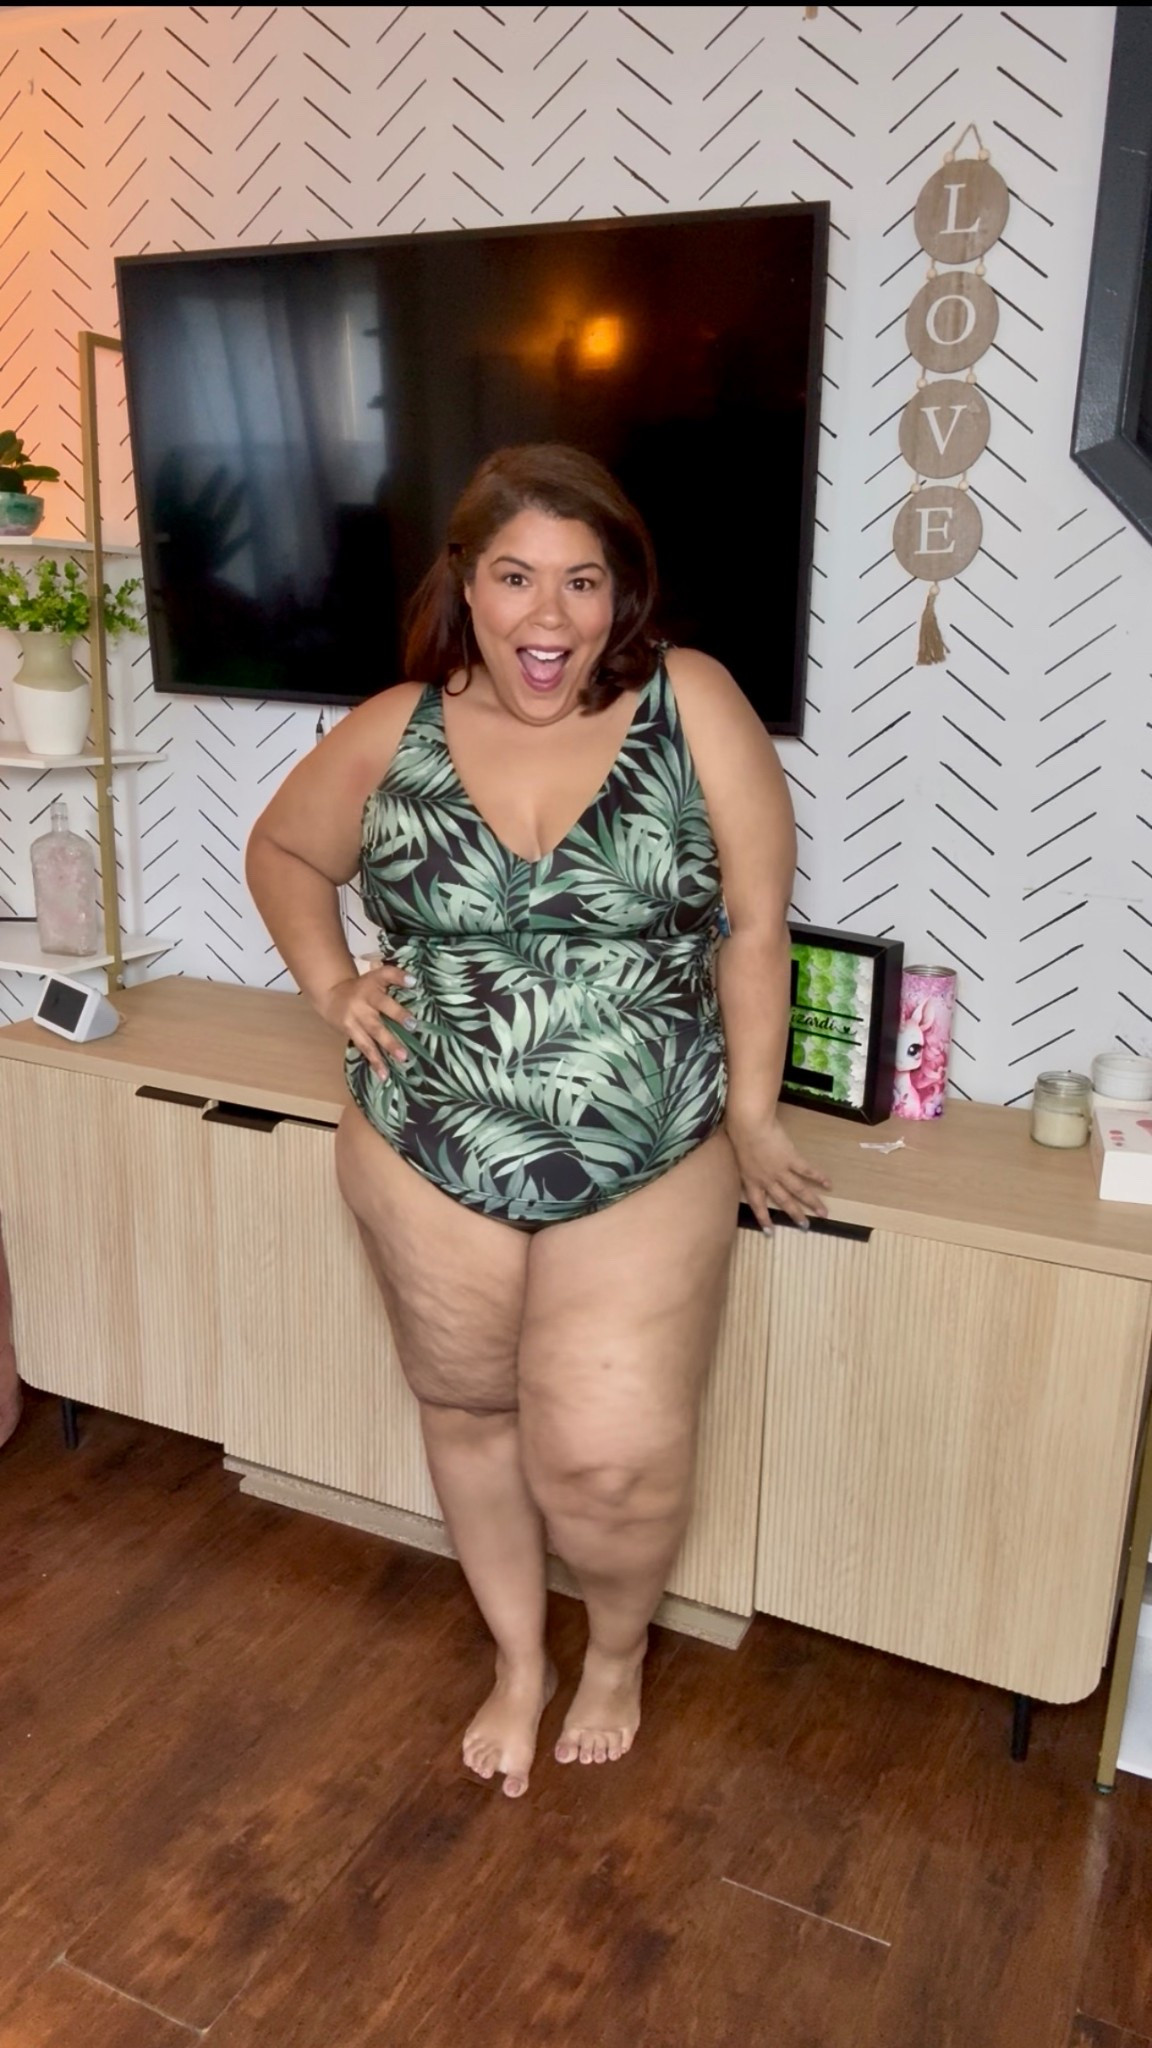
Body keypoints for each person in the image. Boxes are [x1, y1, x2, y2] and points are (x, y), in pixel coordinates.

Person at [246, 443, 829, 1799]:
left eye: (582, 579)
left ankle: (615, 1654)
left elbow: (756, 927)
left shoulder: (692, 700)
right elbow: (282, 849)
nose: (548, 614)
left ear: (622, 591)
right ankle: (519, 1661)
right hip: (423, 1138)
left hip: (647, 1141)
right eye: (515, 577)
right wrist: (333, 986)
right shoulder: (397, 725)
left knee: (609, 1457)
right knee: (468, 1410)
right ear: (467, 586)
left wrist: (752, 1114)